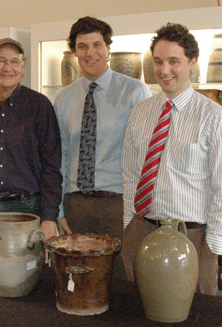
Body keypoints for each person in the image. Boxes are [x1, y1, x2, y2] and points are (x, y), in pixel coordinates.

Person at [121, 23, 222, 295]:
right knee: (140, 309)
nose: (164, 70)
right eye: (158, 61)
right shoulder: (140, 112)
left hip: (192, 236)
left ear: (192, 63)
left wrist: (213, 245)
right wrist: (129, 223)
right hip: (142, 229)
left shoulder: (215, 117)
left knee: (195, 314)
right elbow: (130, 173)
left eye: (174, 61)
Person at [53, 16, 151, 278]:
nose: (90, 53)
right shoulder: (63, 99)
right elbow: (60, 157)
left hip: (118, 204)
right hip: (75, 205)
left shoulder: (134, 91)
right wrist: (58, 210)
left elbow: (146, 155)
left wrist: (139, 209)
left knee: (122, 278)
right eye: (82, 46)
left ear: (108, 48)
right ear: (74, 52)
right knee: (79, 277)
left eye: (97, 44)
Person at [0, 38, 62, 240]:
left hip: (28, 208)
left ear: (22, 67)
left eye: (14, 61)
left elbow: (52, 166)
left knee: (29, 270)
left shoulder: (40, 106)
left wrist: (49, 217)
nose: (7, 67)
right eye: (0, 60)